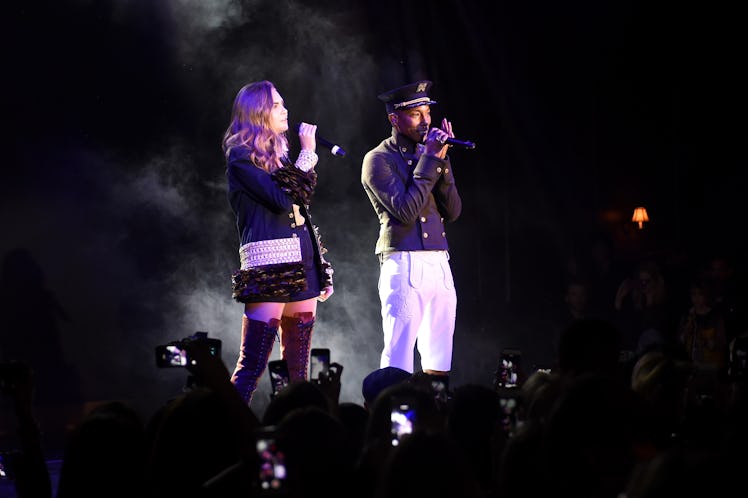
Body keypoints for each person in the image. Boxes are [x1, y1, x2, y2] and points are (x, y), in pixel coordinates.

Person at [222, 80, 334, 406]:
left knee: (297, 371)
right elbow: (282, 200)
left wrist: (320, 267)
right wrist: (308, 155)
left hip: (303, 267)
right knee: (253, 364)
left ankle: (293, 434)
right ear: (257, 113)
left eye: (284, 104)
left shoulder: (282, 158)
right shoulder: (241, 159)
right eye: (276, 105)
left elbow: (300, 212)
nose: (285, 111)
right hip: (270, 270)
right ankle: (223, 433)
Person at [361, 80, 462, 377]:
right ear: (394, 118)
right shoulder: (378, 159)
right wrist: (431, 159)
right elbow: (405, 210)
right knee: (399, 354)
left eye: (427, 113)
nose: (426, 121)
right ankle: (393, 418)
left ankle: (437, 413)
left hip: (439, 262)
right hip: (404, 261)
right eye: (416, 114)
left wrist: (443, 163)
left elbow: (453, 211)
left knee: (440, 355)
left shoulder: (430, 155)